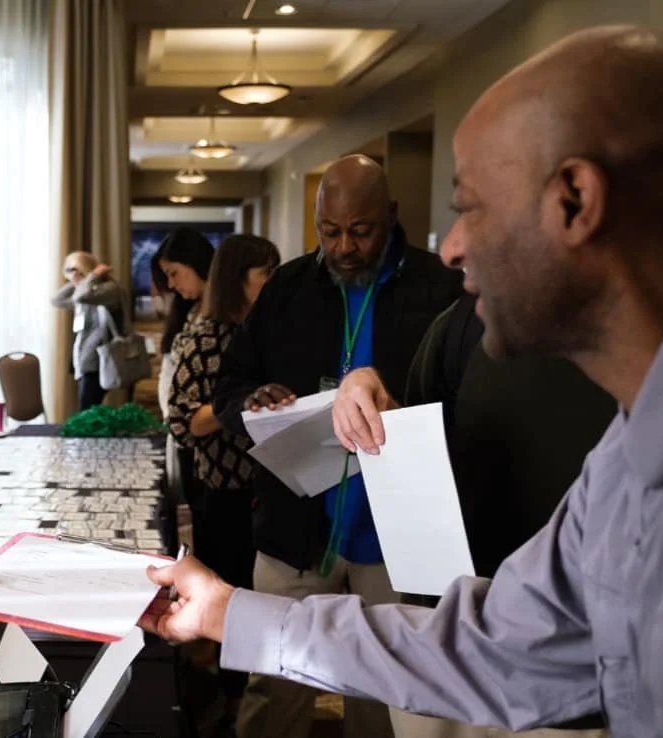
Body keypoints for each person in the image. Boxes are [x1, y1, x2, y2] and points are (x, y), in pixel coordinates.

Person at [143, 24, 663, 738]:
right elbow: (497, 646)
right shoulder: (620, 463)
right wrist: (228, 612)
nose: (452, 247)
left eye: (470, 208)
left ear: (574, 201)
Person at [212, 155, 462, 738]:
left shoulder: (440, 289)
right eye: (330, 231)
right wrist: (252, 401)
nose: (344, 246)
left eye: (361, 230)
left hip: (396, 536)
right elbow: (228, 388)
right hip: (295, 531)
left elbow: (469, 402)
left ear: (391, 216)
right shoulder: (287, 288)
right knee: (273, 689)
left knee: (386, 696)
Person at [334, 295, 615, 738]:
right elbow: (409, 433)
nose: (452, 258)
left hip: (579, 683)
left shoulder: (643, 336)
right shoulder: (461, 325)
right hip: (450, 653)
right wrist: (363, 392)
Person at [166, 234, 280, 728]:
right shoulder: (202, 338)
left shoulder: (269, 330)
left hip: (271, 489)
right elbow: (182, 423)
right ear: (238, 279)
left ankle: (243, 698)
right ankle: (230, 706)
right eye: (265, 275)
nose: (273, 284)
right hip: (224, 492)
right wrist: (239, 405)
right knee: (230, 601)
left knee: (259, 602)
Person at [151, 228, 216, 516]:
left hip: (207, 438)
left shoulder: (220, 318)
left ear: (195, 262)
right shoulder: (189, 312)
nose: (171, 283)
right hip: (183, 432)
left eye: (174, 273)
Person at [51, 250, 123, 410]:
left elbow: (81, 297)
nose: (72, 274)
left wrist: (91, 276)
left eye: (75, 269)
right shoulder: (84, 290)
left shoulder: (107, 289)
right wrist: (77, 282)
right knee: (88, 410)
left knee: (86, 411)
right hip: (83, 359)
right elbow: (57, 300)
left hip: (99, 359)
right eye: (68, 270)